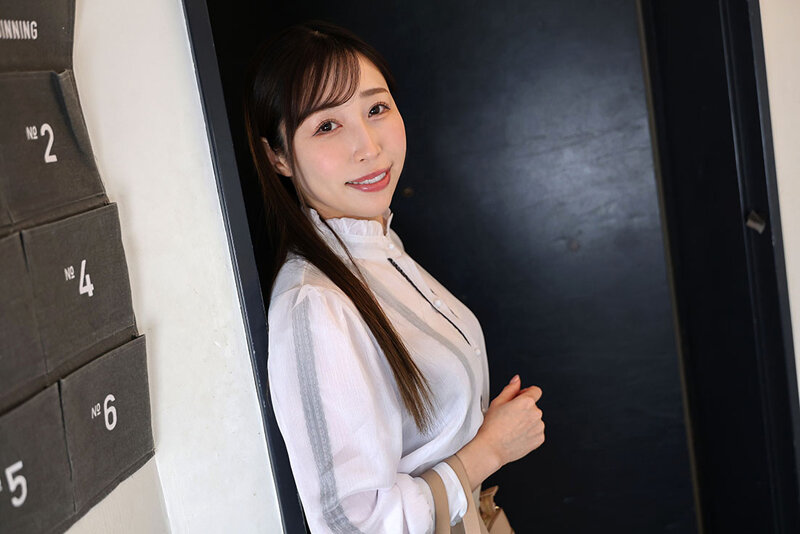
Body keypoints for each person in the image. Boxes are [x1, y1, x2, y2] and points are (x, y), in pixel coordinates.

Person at [243, 20, 545, 533]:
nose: (368, 146)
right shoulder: (315, 303)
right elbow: (352, 523)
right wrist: (490, 450)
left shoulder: (379, 248)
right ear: (278, 156)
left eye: (376, 109)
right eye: (326, 126)